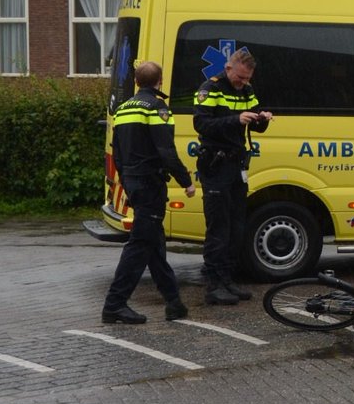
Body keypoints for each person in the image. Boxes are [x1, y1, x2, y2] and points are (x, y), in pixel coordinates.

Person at [101, 61, 196, 324]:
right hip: (149, 184)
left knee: (154, 244)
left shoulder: (122, 109)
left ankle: (174, 302)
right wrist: (185, 180)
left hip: (133, 180)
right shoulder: (157, 107)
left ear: (136, 81)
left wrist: (127, 183)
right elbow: (166, 151)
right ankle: (114, 304)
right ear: (160, 81)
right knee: (140, 245)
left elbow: (117, 153)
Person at [193, 47, 272, 305]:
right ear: (228, 69)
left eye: (248, 78)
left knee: (237, 226)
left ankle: (228, 280)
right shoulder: (211, 88)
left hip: (237, 166)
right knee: (218, 227)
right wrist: (235, 119)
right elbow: (201, 124)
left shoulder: (246, 90)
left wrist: (263, 119)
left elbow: (255, 125)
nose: (244, 83)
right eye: (240, 77)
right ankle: (214, 285)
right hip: (216, 165)